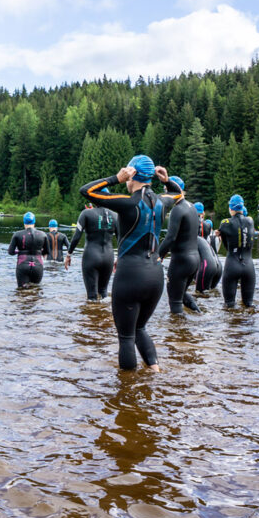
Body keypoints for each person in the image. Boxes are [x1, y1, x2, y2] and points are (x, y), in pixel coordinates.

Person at [81, 155, 174, 372]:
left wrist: (116, 178)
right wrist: (167, 180)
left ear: (131, 174)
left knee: (125, 337)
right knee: (140, 327)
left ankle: (128, 393)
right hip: (155, 275)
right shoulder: (163, 201)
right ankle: (155, 372)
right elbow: (178, 194)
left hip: (130, 275)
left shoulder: (128, 202)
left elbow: (87, 191)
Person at [155, 175, 200, 313]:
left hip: (181, 261)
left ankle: (178, 332)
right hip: (195, 260)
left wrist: (158, 256)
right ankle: (199, 315)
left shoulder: (177, 209)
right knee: (180, 294)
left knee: (174, 304)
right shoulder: (191, 207)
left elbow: (170, 237)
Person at [67, 201, 117, 300]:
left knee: (91, 296)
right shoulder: (115, 215)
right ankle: (103, 314)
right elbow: (122, 239)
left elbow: (77, 237)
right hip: (109, 257)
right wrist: (119, 257)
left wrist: (69, 254)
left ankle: (91, 314)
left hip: (91, 256)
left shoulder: (86, 213)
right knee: (103, 293)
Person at [216, 194, 256, 307]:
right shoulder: (250, 221)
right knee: (248, 305)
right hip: (249, 266)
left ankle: (232, 323)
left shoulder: (225, 223)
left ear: (231, 208)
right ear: (242, 208)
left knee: (229, 306)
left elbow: (226, 246)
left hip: (232, 264)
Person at [8, 212, 51, 286]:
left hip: (22, 264)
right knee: (36, 290)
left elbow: (10, 252)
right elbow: (47, 251)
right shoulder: (43, 235)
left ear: (24, 222)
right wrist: (40, 252)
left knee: (21, 291)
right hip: (38, 265)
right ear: (34, 222)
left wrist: (19, 252)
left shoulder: (17, 234)